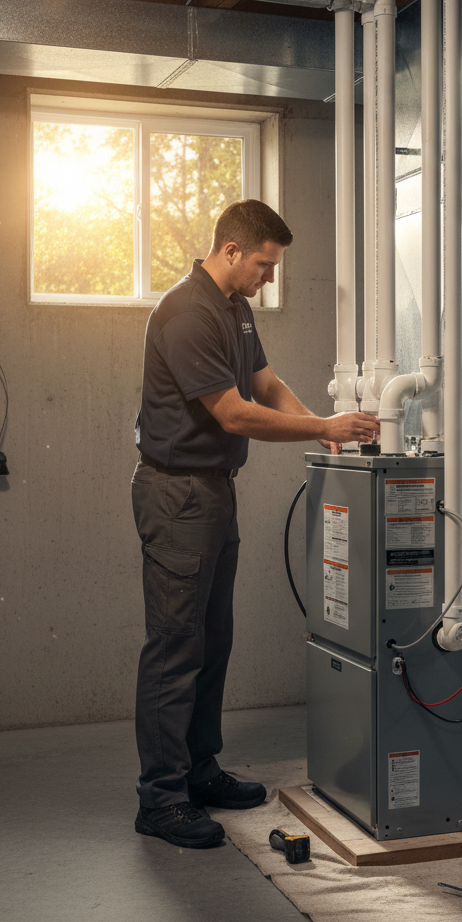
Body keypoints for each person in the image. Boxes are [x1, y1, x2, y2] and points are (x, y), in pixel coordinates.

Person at [131, 199, 380, 849]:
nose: (270, 277)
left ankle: (199, 771)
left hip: (213, 492)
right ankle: (160, 799)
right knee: (175, 649)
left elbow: (265, 385)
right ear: (232, 251)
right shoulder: (187, 312)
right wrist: (323, 426)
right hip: (177, 493)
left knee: (212, 641)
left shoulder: (235, 309)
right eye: (265, 265)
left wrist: (320, 435)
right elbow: (235, 414)